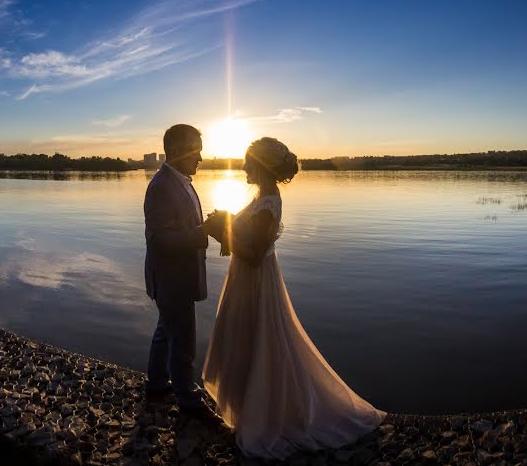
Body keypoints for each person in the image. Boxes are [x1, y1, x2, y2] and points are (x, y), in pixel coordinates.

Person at [202, 137, 385, 459]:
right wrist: (228, 223)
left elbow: (255, 254)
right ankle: (252, 410)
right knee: (248, 340)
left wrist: (220, 230)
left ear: (260, 165)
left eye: (247, 162)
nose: (242, 167)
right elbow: (246, 241)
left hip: (255, 282)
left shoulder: (270, 201)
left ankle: (267, 417)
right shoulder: (261, 196)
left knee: (261, 342)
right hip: (248, 281)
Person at [143, 124, 220, 420]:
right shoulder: (162, 186)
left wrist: (209, 225)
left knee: (166, 331)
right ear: (176, 150)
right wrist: (205, 231)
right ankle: (187, 397)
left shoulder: (181, 180)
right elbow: (160, 240)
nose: (200, 157)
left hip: (178, 275)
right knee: (184, 340)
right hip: (171, 278)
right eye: (196, 150)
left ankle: (158, 383)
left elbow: (182, 226)